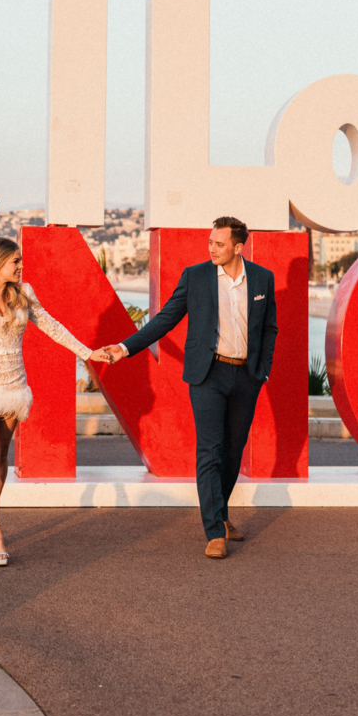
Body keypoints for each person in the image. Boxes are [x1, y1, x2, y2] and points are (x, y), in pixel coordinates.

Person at [0, 236, 113, 566]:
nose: (21, 265)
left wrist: (87, 353)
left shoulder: (24, 294)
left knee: (1, 456)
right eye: (15, 261)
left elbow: (52, 327)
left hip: (13, 383)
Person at [103, 217, 277, 559]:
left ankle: (221, 514)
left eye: (219, 244)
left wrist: (263, 371)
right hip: (208, 375)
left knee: (234, 451)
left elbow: (269, 328)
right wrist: (124, 348)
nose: (211, 248)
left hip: (246, 377)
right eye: (210, 242)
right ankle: (214, 531)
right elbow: (164, 319)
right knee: (209, 451)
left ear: (238, 247)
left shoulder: (262, 279)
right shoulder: (195, 277)